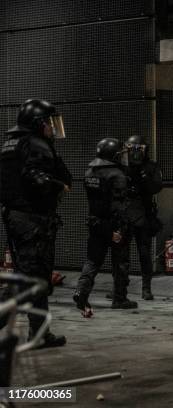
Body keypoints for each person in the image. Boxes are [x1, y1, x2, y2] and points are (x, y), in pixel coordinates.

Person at [0, 99, 71, 348]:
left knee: (35, 277)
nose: (53, 128)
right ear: (39, 124)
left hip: (16, 217)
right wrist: (58, 186)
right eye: (50, 124)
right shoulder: (36, 144)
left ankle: (40, 334)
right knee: (30, 279)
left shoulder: (12, 143)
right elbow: (35, 177)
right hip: (33, 220)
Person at [73, 138, 136, 317]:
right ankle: (120, 298)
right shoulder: (117, 175)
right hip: (113, 224)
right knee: (121, 262)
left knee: (92, 260)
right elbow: (119, 206)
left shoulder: (89, 172)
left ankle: (81, 292)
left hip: (95, 222)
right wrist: (119, 230)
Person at [123, 135, 163, 300]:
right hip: (125, 214)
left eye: (140, 149)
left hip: (144, 215)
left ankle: (146, 288)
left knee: (144, 253)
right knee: (121, 254)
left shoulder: (151, 166)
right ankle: (119, 288)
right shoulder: (122, 166)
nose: (136, 152)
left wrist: (143, 177)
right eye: (133, 148)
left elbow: (156, 187)